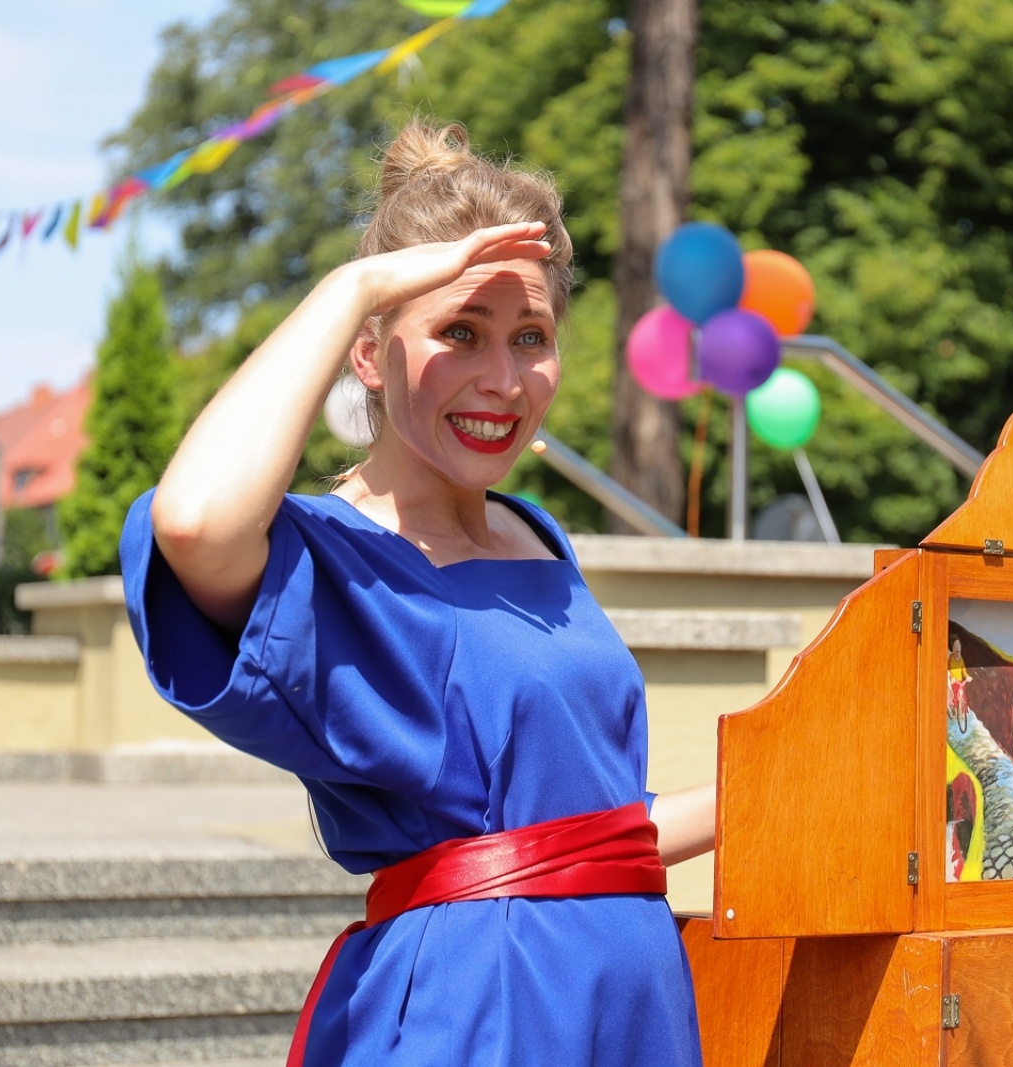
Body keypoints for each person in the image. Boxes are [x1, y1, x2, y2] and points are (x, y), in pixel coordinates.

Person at [118, 119, 713, 1067]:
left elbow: (586, 832)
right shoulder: (324, 557)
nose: (503, 379)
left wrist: (816, 776)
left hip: (627, 1000)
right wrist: (354, 284)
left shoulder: (535, 539)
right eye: (458, 332)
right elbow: (192, 523)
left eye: (532, 336)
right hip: (480, 1009)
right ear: (368, 354)